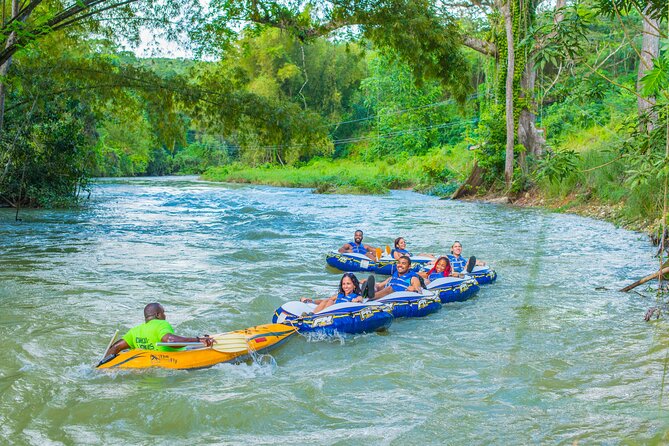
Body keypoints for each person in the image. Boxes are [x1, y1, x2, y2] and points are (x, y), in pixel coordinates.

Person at [103, 303, 214, 358]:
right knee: (198, 344)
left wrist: (103, 366)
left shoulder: (134, 331)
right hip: (170, 363)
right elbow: (171, 341)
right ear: (158, 314)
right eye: (163, 313)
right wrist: (198, 340)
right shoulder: (161, 324)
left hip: (147, 366)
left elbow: (115, 347)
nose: (165, 315)